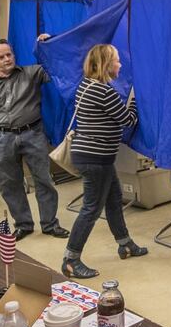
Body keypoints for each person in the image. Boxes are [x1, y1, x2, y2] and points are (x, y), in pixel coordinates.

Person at [0, 39, 69, 241]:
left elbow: (58, 67)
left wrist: (46, 45)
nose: (7, 59)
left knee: (44, 181)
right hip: (2, 138)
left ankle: (50, 224)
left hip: (33, 134)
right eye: (1, 57)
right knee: (9, 184)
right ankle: (23, 225)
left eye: (9, 54)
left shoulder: (32, 73)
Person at [62, 44, 147, 279]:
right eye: (117, 60)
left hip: (98, 157)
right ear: (106, 64)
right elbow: (128, 120)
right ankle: (70, 260)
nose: (120, 64)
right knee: (91, 209)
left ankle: (125, 244)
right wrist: (137, 99)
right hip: (95, 158)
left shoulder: (86, 85)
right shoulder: (102, 91)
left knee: (113, 200)